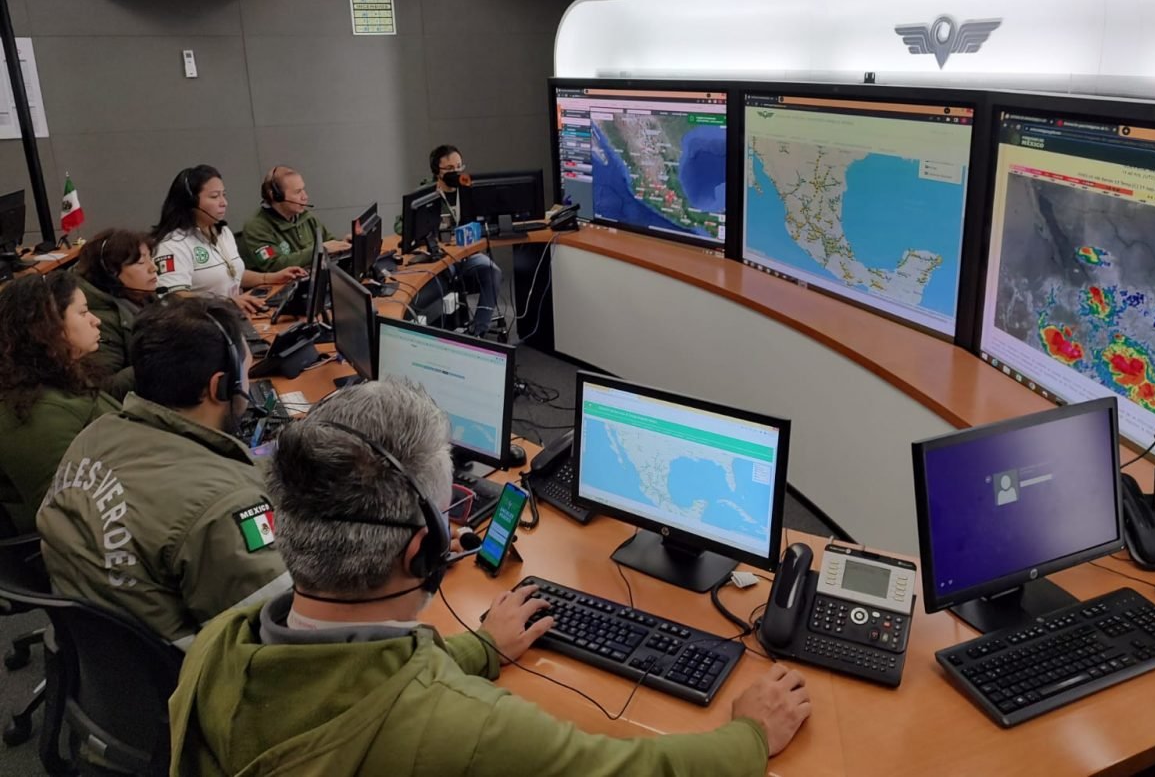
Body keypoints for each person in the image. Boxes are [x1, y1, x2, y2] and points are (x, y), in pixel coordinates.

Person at [168, 380, 811, 774]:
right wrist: (750, 735)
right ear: (424, 550)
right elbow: (634, 770)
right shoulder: (469, 730)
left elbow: (348, 682)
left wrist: (480, 649)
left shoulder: (216, 646)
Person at [37, 297, 290, 648]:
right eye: (246, 372)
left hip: (107, 654)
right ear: (219, 386)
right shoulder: (226, 508)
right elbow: (281, 630)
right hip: (198, 669)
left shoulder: (96, 434)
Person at [0, 274, 119, 534]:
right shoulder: (33, 412)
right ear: (47, 327)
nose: (95, 320)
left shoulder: (64, 375)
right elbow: (69, 516)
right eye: (83, 312)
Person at [152, 165, 304, 316]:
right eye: (214, 196)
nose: (224, 202)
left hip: (231, 317)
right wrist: (226, 302)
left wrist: (270, 277)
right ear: (190, 202)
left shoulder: (222, 232)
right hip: (200, 324)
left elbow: (232, 274)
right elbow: (174, 297)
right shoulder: (172, 244)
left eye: (223, 195)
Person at [76, 228, 160, 400]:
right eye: (141, 263)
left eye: (150, 259)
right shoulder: (99, 321)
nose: (153, 268)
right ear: (111, 273)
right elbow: (104, 389)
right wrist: (161, 359)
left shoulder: (144, 297)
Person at [430, 144, 504, 336]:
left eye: (459, 167)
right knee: (441, 281)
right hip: (442, 259)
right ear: (437, 171)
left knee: (492, 271)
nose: (456, 172)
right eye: (450, 168)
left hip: (468, 255)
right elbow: (402, 225)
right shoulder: (427, 194)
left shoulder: (469, 188)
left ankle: (478, 332)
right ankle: (445, 334)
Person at [239, 165, 351, 274]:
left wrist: (343, 244)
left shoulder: (307, 217)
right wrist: (319, 250)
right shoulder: (257, 226)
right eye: (297, 192)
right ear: (276, 196)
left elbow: (328, 241)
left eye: (303, 189)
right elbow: (274, 265)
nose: (305, 196)